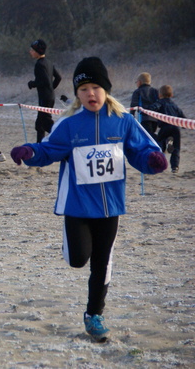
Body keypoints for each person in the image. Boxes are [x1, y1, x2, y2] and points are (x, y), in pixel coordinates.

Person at [10, 57, 167, 342]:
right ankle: (71, 247)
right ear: (77, 94)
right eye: (83, 89)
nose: (90, 94)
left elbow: (142, 151)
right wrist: (29, 153)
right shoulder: (69, 125)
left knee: (102, 262)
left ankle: (94, 315)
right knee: (78, 260)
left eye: (96, 87)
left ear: (106, 89)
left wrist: (153, 161)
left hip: (110, 207)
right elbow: (49, 150)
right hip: (78, 206)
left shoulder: (123, 121)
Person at [28, 39, 62, 143]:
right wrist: (51, 90)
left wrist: (32, 83)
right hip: (49, 96)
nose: (30, 51)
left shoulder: (39, 64)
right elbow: (58, 78)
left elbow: (45, 81)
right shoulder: (48, 62)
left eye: (32, 50)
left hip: (45, 98)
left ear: (37, 51)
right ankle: (39, 147)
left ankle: (62, 138)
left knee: (46, 123)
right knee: (39, 125)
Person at [148, 85, 185, 173]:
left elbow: (152, 108)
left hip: (165, 127)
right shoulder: (174, 105)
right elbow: (182, 116)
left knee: (159, 145)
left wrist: (146, 111)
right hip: (175, 128)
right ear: (171, 95)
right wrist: (184, 125)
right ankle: (175, 167)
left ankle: (159, 163)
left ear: (159, 95)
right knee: (176, 148)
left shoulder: (160, 102)